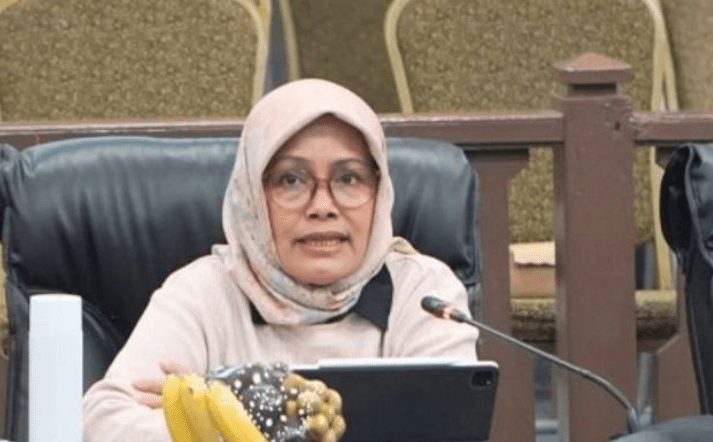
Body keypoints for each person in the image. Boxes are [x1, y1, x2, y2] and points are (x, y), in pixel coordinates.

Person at [82, 79, 478, 442]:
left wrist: (220, 414)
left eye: (348, 178)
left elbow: (445, 430)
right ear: (252, 195)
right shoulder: (202, 292)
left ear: (380, 191)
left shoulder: (425, 295)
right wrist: (257, 421)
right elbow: (104, 422)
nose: (322, 206)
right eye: (291, 179)